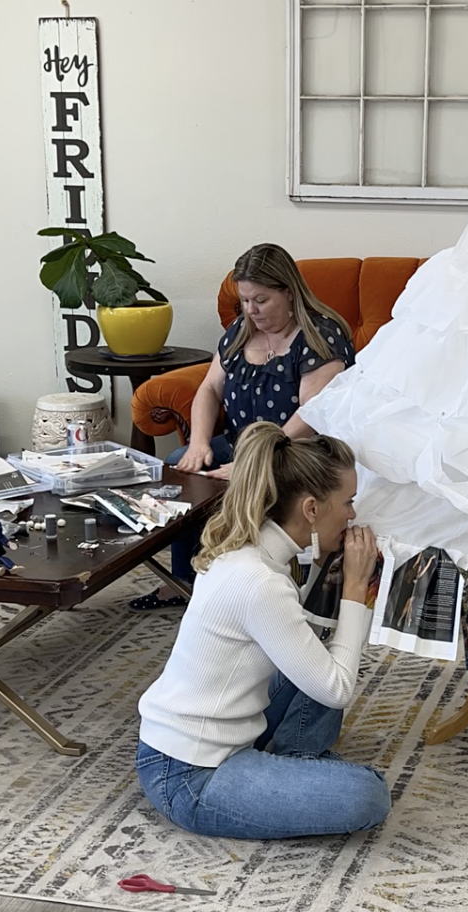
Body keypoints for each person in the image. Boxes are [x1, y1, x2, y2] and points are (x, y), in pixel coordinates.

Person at [136, 421, 392, 839]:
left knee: (318, 648)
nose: (352, 514)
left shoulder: (260, 551)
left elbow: (312, 649)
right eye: (347, 502)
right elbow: (338, 688)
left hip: (205, 739)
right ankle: (294, 767)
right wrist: (355, 588)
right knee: (368, 796)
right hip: (189, 775)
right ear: (311, 509)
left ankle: (292, 763)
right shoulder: (259, 581)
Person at [130, 242, 356, 613]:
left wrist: (254, 462)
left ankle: (247, 589)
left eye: (261, 300)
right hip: (240, 443)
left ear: (288, 291)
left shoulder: (320, 336)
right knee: (179, 463)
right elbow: (208, 388)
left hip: (294, 452)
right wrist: (199, 443)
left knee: (251, 482)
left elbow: (315, 415)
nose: (252, 310)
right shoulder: (240, 331)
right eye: (245, 301)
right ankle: (184, 581)